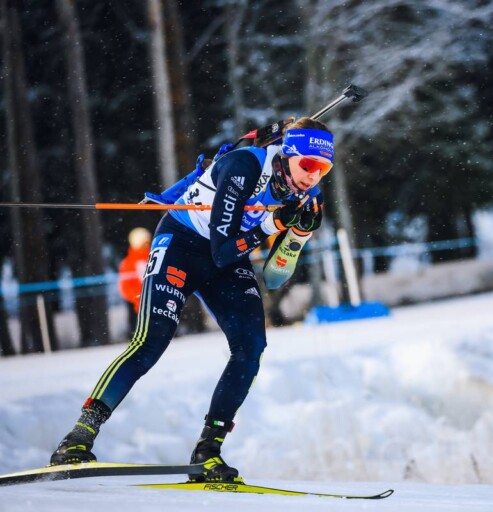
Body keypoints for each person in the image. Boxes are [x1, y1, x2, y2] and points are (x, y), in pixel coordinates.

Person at [49, 117, 332, 483]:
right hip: (183, 245)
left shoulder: (309, 196)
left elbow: (275, 278)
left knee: (251, 346)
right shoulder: (243, 166)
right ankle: (78, 437)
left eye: (323, 169)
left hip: (228, 259)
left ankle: (208, 451)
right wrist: (271, 225)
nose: (313, 176)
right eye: (308, 164)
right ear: (287, 154)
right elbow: (221, 249)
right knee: (151, 340)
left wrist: (298, 236)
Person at [118, 227, 152, 331]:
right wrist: (140, 297)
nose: (147, 245)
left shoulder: (154, 257)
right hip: (140, 306)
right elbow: (126, 287)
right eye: (144, 242)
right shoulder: (129, 263)